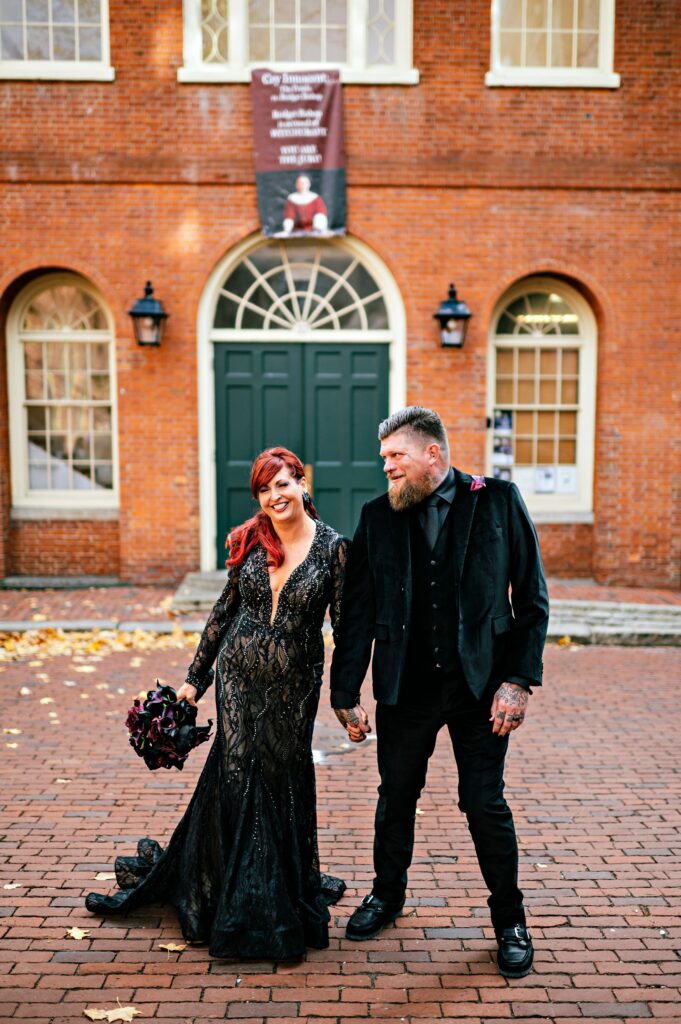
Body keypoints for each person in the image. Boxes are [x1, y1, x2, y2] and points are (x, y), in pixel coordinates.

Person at [86, 447, 349, 960]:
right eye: (264, 489)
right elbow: (221, 614)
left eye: (283, 484)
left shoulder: (335, 550)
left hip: (294, 685)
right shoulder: (254, 540)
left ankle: (282, 892)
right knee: (236, 772)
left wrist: (347, 699)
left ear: (302, 483)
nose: (275, 496)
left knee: (280, 774)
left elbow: (344, 627)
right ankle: (235, 894)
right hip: (237, 677)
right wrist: (193, 681)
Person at [330, 406, 549, 978]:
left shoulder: (497, 500)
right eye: (384, 460)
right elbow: (356, 613)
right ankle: (387, 894)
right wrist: (345, 692)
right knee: (395, 795)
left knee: (483, 803)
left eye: (395, 457)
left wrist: (519, 681)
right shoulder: (376, 517)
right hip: (405, 687)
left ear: (433, 454)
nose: (387, 469)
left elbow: (532, 600)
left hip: (482, 688)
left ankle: (511, 921)